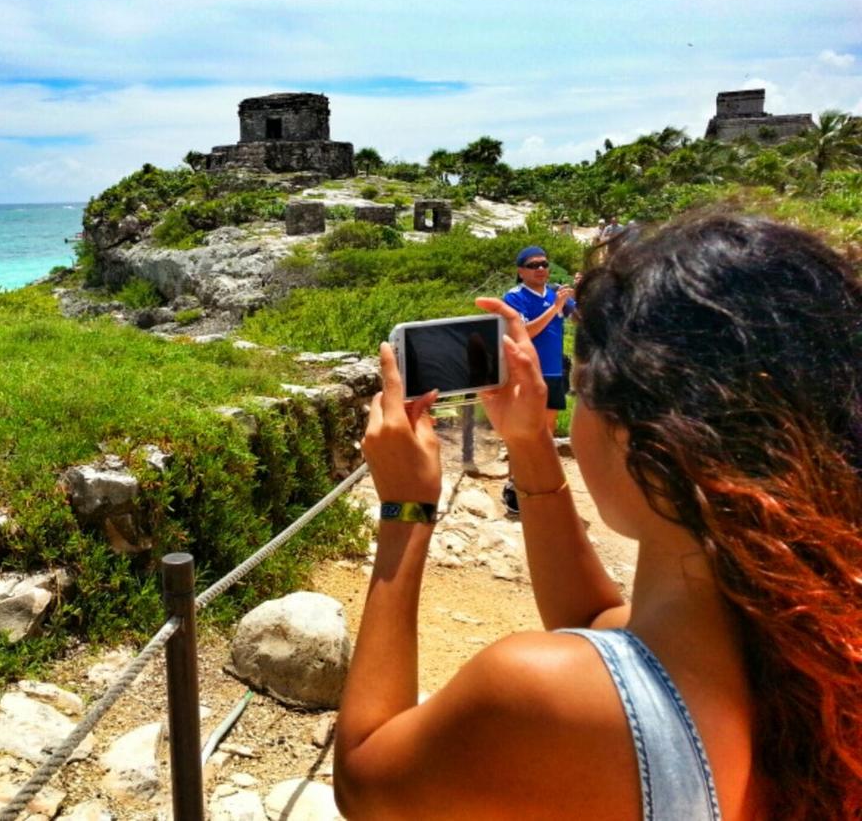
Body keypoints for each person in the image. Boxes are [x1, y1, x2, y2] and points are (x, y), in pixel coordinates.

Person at [333, 213, 862, 820]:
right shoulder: (813, 625)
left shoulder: (536, 694)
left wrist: (406, 508)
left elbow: (364, 781)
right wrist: (529, 442)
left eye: (585, 391)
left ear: (636, 431)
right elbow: (594, 622)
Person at [502, 246, 575, 514]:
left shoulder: (556, 294)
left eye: (544, 264)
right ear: (521, 271)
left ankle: (540, 484)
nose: (541, 269)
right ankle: (514, 484)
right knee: (523, 430)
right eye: (533, 265)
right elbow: (524, 332)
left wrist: (582, 293)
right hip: (525, 371)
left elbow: (581, 319)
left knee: (546, 430)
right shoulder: (514, 297)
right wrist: (555, 308)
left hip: (553, 371)